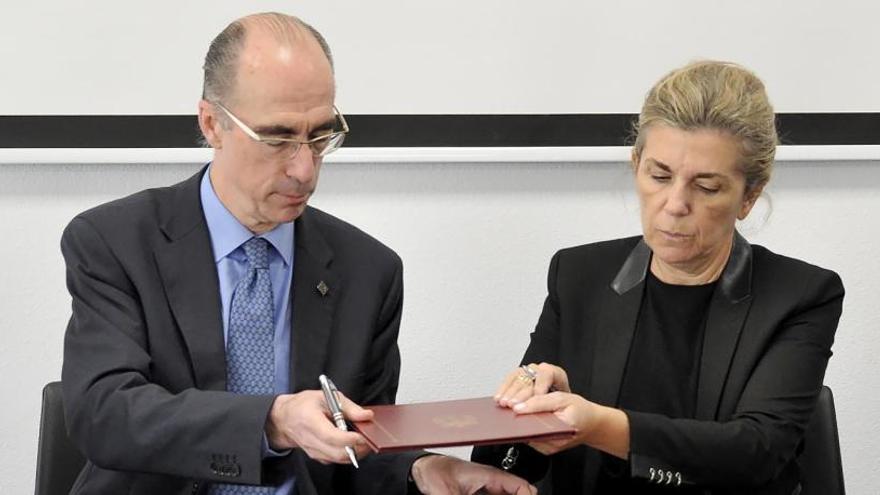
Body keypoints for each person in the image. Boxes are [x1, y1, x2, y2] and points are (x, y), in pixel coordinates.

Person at [60, 12, 534, 495]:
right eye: (278, 137)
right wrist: (271, 421)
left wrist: (420, 470)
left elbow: (356, 446)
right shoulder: (115, 242)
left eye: (322, 135)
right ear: (212, 123)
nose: (304, 169)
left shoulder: (368, 271)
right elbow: (104, 412)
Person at [472, 60, 844, 494]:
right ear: (636, 165)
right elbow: (502, 464)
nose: (674, 204)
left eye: (706, 187)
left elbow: (755, 452)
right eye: (659, 176)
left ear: (749, 197)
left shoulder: (799, 295)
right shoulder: (579, 276)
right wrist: (525, 412)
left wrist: (599, 426)